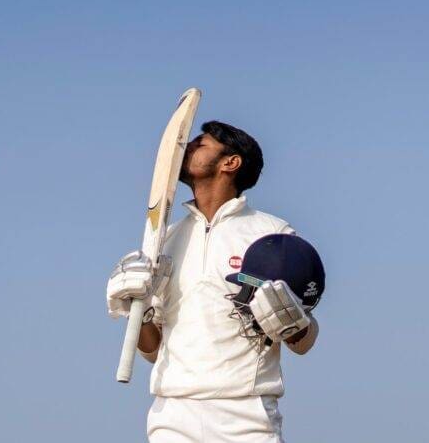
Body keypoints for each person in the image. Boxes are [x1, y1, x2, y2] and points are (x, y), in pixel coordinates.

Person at [106, 121, 320, 443]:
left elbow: (304, 341)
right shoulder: (164, 240)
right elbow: (152, 350)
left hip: (246, 415)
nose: (186, 147)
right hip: (172, 413)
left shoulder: (273, 235)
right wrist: (136, 311)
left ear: (230, 163)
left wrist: (294, 323)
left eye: (200, 144)